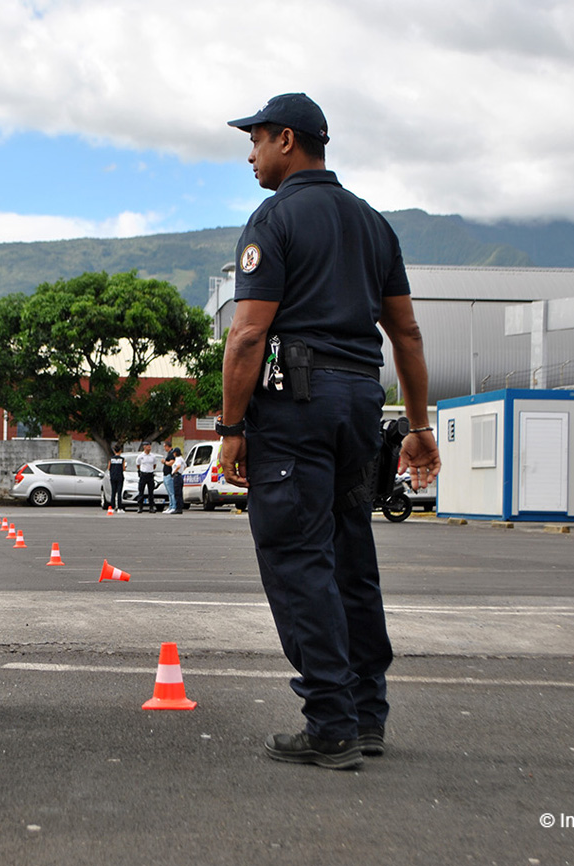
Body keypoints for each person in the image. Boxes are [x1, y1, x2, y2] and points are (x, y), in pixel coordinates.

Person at [218, 93, 441, 770]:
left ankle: (330, 723)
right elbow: (405, 332)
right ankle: (367, 714)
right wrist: (418, 425)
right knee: (350, 552)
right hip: (358, 405)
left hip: (296, 409)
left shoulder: (274, 218)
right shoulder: (374, 225)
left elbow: (249, 333)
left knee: (296, 556)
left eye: (255, 141)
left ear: (288, 140)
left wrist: (231, 428)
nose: (250, 155)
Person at [134, 442, 158, 513]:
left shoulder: (153, 456)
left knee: (151, 492)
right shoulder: (140, 456)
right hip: (143, 475)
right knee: (141, 491)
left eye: (150, 445)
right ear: (144, 447)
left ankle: (151, 507)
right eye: (147, 446)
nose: (149, 447)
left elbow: (154, 465)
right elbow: (138, 465)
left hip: (150, 475)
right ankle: (140, 507)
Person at [107, 444, 126, 511]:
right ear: (120, 451)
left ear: (114, 451)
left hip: (113, 477)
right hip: (120, 477)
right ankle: (119, 507)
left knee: (113, 492)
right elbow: (123, 468)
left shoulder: (111, 459)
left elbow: (109, 467)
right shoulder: (122, 459)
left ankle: (112, 506)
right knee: (119, 493)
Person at [161, 445, 179, 514]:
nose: (164, 448)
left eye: (165, 446)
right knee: (169, 492)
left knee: (171, 492)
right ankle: (170, 506)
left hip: (169, 475)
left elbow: (172, 462)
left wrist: (164, 462)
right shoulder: (169, 453)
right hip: (165, 475)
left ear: (167, 446)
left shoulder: (172, 454)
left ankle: (173, 506)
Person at [170, 447, 186, 514]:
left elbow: (179, 466)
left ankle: (178, 508)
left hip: (177, 476)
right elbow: (185, 466)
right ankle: (179, 507)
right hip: (179, 476)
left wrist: (175, 472)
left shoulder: (179, 459)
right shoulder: (181, 459)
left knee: (177, 493)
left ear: (175, 453)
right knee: (179, 493)